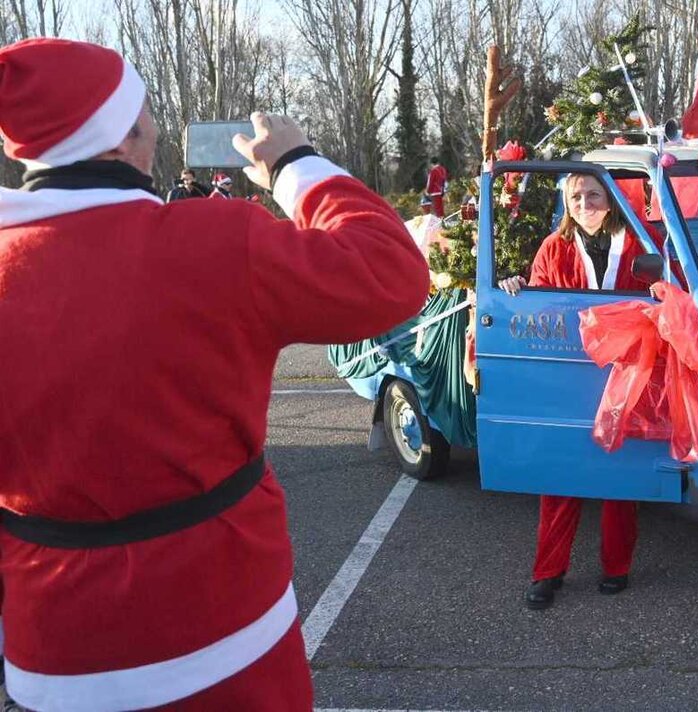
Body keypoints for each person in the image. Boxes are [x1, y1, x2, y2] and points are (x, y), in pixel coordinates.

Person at [0, 38, 429, 710]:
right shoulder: (214, 241)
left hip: (50, 645)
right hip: (224, 629)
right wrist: (295, 163)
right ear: (125, 136)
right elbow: (390, 273)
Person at [498, 173, 655, 610]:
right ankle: (548, 572)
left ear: (610, 199)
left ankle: (616, 566)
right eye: (576, 197)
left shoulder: (640, 245)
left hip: (623, 370)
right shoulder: (554, 246)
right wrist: (518, 290)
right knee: (559, 472)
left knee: (619, 473)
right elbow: (542, 303)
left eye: (593, 195)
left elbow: (665, 293)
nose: (584, 203)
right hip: (567, 372)